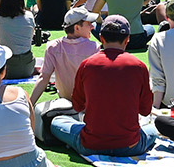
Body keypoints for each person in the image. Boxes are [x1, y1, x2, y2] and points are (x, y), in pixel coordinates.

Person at [47, 16, 157, 157]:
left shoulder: (87, 64)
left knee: (57, 122)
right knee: (152, 129)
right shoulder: (139, 66)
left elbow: (78, 106)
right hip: (131, 145)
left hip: (91, 144)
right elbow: (145, 110)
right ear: (127, 39)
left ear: (101, 38)